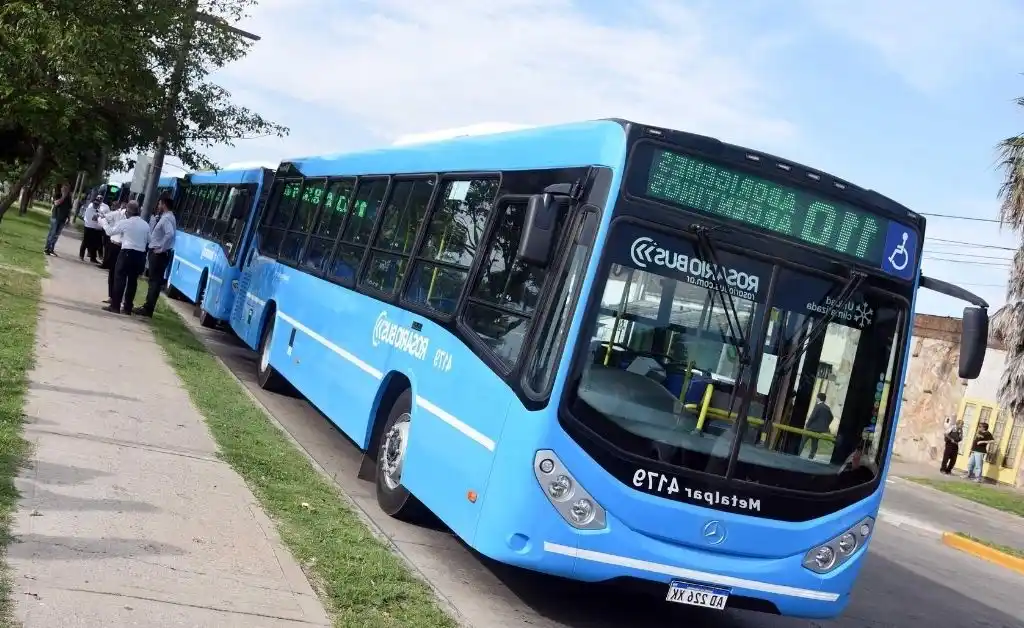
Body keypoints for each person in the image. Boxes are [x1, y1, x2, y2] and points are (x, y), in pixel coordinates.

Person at [135, 194, 176, 317]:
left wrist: (161, 248)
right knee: (154, 281)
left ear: (163, 204)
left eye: (159, 204)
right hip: (159, 253)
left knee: (154, 282)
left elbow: (170, 234)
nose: (158, 206)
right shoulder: (168, 217)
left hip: (158, 254)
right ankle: (148, 307)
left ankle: (148, 308)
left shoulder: (166, 218)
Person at [105, 202, 150, 315]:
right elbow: (150, 240)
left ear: (128, 211)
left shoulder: (125, 222)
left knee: (119, 279)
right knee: (132, 281)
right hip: (139, 255)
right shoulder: (145, 225)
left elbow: (110, 232)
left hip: (126, 252)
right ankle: (127, 308)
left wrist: (103, 222)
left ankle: (115, 306)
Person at [99, 201, 128, 305]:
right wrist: (103, 220)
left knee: (120, 274)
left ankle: (119, 299)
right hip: (114, 245)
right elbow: (104, 217)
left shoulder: (133, 219)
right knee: (112, 272)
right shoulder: (118, 214)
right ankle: (111, 296)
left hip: (124, 247)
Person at [802, 392, 834, 460]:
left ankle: (797, 453)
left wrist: (807, 425)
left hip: (811, 428)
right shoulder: (827, 408)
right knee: (815, 443)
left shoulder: (818, 406)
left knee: (802, 441)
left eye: (816, 397)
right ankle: (811, 457)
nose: (816, 398)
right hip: (819, 430)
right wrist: (826, 424)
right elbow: (831, 417)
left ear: (818, 398)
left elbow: (812, 417)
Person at [44, 183, 72, 255]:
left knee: (56, 235)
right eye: (64, 189)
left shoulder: (69, 198)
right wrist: (63, 196)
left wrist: (69, 218)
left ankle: (51, 249)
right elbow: (56, 203)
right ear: (61, 189)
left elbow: (69, 209)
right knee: (52, 233)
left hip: (63, 219)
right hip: (55, 217)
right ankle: (47, 248)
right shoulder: (57, 195)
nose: (65, 190)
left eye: (67, 189)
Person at [79, 196, 107, 263]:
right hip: (88, 227)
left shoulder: (97, 209)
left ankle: (93, 258)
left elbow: (100, 216)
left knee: (94, 243)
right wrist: (98, 216)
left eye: (98, 204)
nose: (96, 205)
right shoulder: (90, 208)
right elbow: (93, 218)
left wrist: (99, 215)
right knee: (85, 242)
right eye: (95, 204)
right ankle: (81, 255)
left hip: (95, 228)